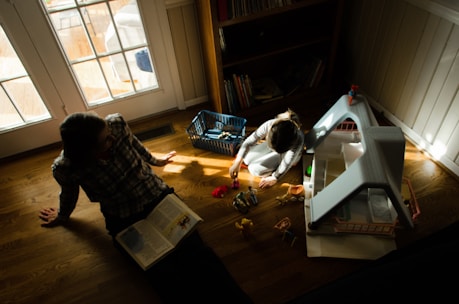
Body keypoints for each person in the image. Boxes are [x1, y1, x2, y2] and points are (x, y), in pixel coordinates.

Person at [39, 111, 253, 303]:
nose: (113, 138)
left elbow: (136, 146)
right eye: (105, 140)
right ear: (88, 151)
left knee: (200, 255)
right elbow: (69, 193)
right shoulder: (66, 167)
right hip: (123, 216)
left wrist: (156, 161)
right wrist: (62, 216)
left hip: (157, 196)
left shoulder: (116, 125)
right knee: (162, 272)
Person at [229, 109, 304, 189]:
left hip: (287, 155)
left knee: (254, 169)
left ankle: (275, 162)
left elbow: (287, 163)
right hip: (277, 145)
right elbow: (249, 142)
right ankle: (272, 154)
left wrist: (275, 177)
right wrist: (237, 163)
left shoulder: (297, 140)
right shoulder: (270, 124)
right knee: (246, 158)